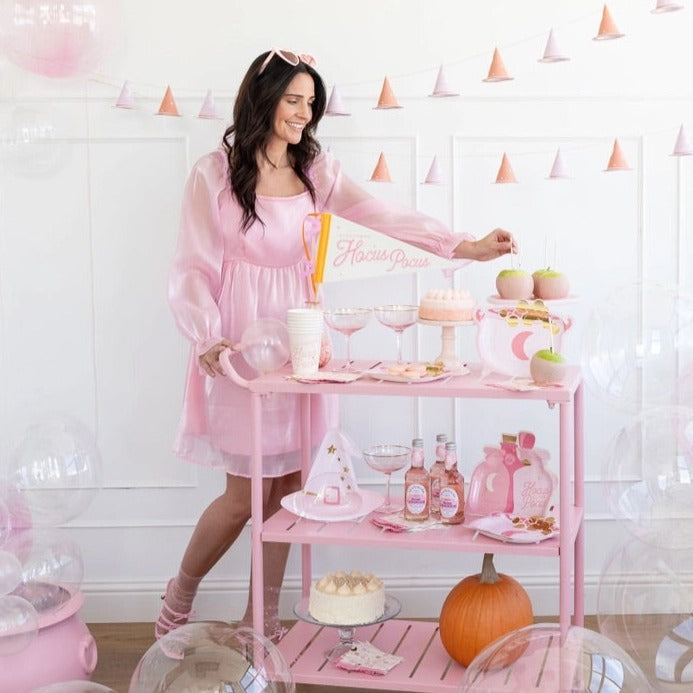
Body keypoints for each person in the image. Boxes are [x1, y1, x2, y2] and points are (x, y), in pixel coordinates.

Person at [158, 48, 516, 641]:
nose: (303, 114)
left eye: (310, 103)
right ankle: (181, 592)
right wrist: (205, 336)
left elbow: (382, 216)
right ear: (263, 97)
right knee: (242, 494)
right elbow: (191, 265)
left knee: (290, 491)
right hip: (239, 344)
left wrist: (462, 246)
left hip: (302, 337)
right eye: (293, 100)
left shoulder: (316, 171)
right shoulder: (214, 174)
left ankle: (262, 624)